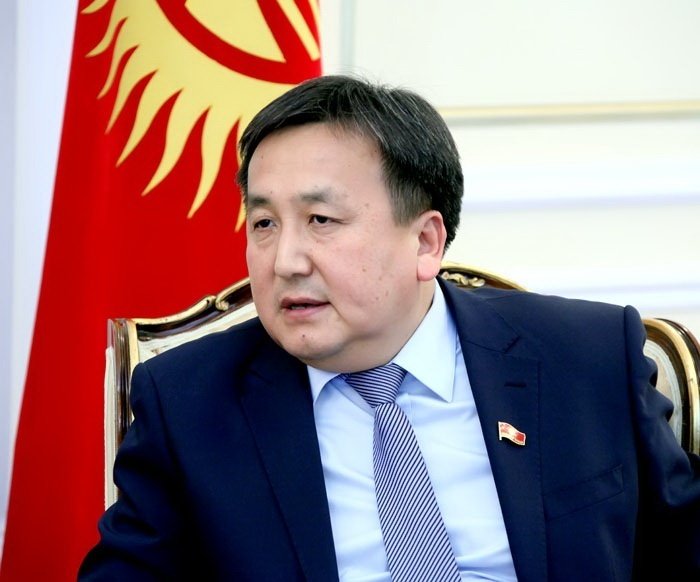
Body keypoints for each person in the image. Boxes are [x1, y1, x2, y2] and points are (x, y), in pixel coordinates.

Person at [80, 75, 700, 581]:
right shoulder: (189, 403)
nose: (285, 260)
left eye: (321, 220)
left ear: (425, 241)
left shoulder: (584, 358)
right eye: (263, 224)